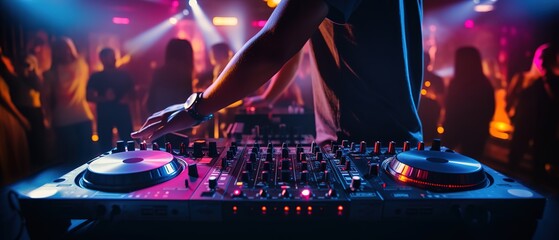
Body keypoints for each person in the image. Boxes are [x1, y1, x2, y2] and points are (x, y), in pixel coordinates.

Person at [132, 0, 424, 150]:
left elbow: (275, 42)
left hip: (359, 150)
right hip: (395, 146)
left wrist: (196, 108)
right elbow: (292, 44)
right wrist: (268, 97)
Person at [43, 37, 95, 164]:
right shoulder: (51, 73)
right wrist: (47, 119)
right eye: (62, 50)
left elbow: (46, 98)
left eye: (67, 49)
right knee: (73, 160)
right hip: (64, 120)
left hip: (80, 117)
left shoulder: (81, 65)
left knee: (83, 159)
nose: (65, 52)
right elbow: (46, 99)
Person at [443, 46, 495, 161]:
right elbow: (490, 109)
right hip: (475, 131)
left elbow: (450, 109)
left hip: (466, 130)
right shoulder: (484, 83)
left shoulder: (458, 83)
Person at [506, 43, 548, 172]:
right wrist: (512, 116)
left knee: (539, 162)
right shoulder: (521, 77)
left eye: (546, 58)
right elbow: (509, 100)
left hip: (544, 126)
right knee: (514, 159)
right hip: (522, 124)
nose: (542, 61)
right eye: (541, 57)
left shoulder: (550, 83)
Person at [145, 38, 195, 145]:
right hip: (180, 122)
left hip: (160, 121)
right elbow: (188, 101)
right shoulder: (185, 73)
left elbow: (150, 101)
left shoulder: (159, 72)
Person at [87, 48, 135, 152]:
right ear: (102, 59)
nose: (113, 58)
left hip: (122, 113)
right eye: (110, 56)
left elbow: (133, 92)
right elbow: (89, 96)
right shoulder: (96, 76)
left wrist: (127, 98)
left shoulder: (124, 74)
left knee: (128, 143)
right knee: (105, 146)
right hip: (105, 114)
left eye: (113, 56)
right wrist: (104, 99)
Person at [418, 51, 445, 143]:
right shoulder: (413, 77)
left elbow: (441, 100)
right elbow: (441, 101)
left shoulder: (412, 77)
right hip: (425, 118)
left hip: (429, 118)